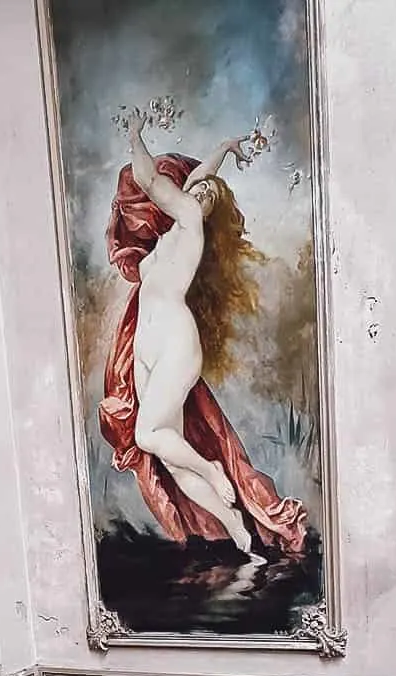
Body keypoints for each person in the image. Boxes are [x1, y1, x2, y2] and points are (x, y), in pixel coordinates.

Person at [98, 112, 307, 561]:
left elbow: (153, 182)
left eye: (208, 193)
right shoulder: (176, 227)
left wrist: (136, 136)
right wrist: (226, 148)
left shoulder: (190, 217)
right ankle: (237, 531)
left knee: (150, 436)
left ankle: (213, 470)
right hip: (149, 343)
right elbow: (198, 177)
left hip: (174, 338)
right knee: (170, 455)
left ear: (207, 207)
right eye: (200, 185)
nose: (200, 189)